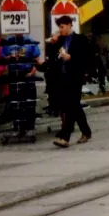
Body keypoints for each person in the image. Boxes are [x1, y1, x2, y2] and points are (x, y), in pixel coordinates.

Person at [44, 16, 93, 148]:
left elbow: (86, 58)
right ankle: (86, 132)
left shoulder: (80, 39)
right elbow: (51, 56)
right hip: (62, 77)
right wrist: (52, 43)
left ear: (70, 25)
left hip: (75, 77)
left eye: (63, 27)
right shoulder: (59, 40)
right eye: (59, 27)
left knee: (71, 106)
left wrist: (71, 57)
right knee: (73, 106)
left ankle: (64, 137)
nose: (61, 30)